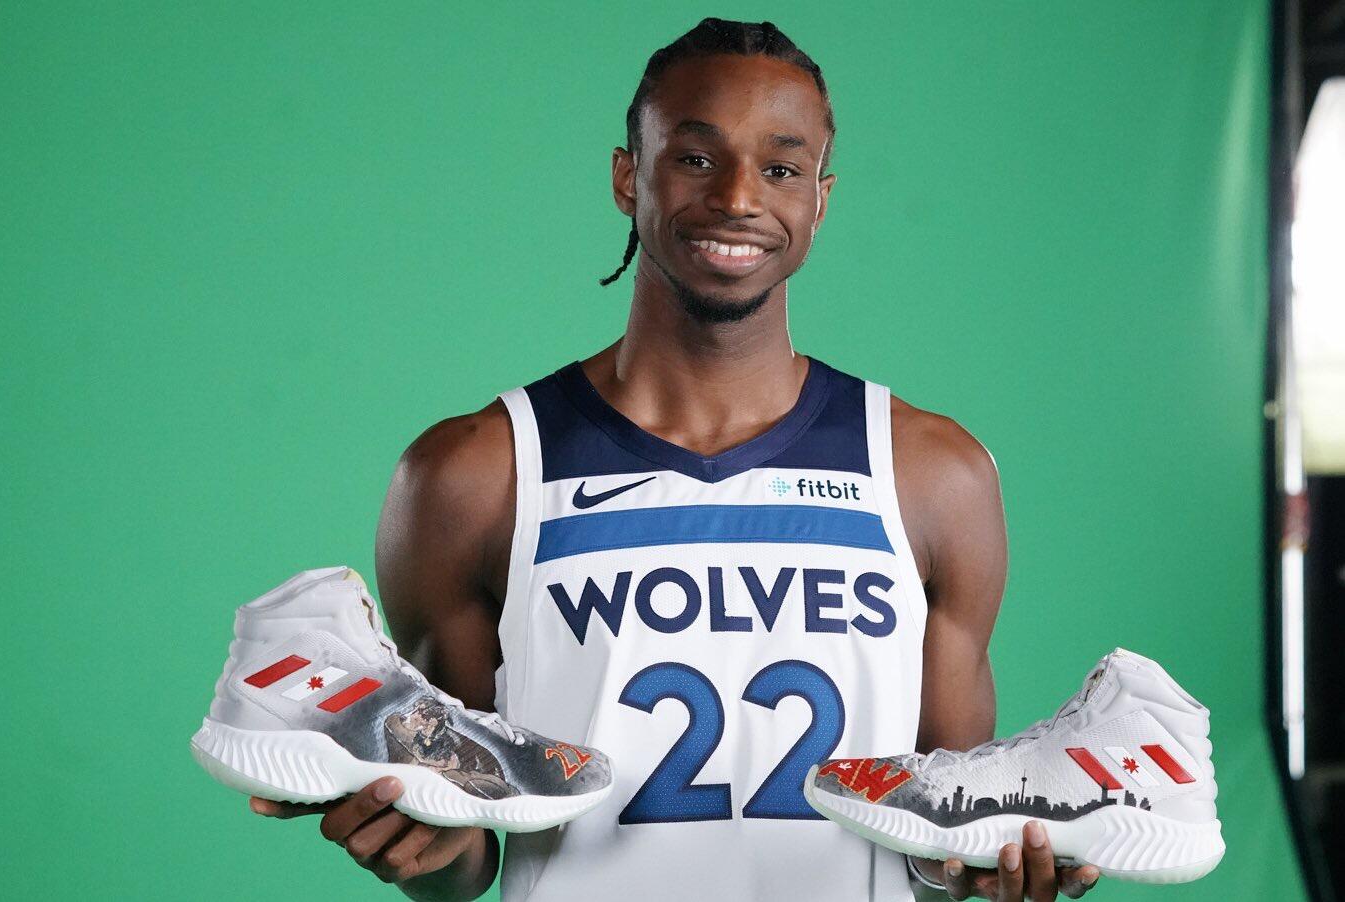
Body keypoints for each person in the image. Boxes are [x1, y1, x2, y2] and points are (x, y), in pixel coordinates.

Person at [249, 18, 1103, 902]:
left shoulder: (933, 476)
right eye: (696, 158)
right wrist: (418, 847)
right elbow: (465, 845)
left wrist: (994, 873)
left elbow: (939, 845)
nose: (738, 198)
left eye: (781, 170)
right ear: (629, 177)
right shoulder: (473, 476)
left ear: (820, 200)